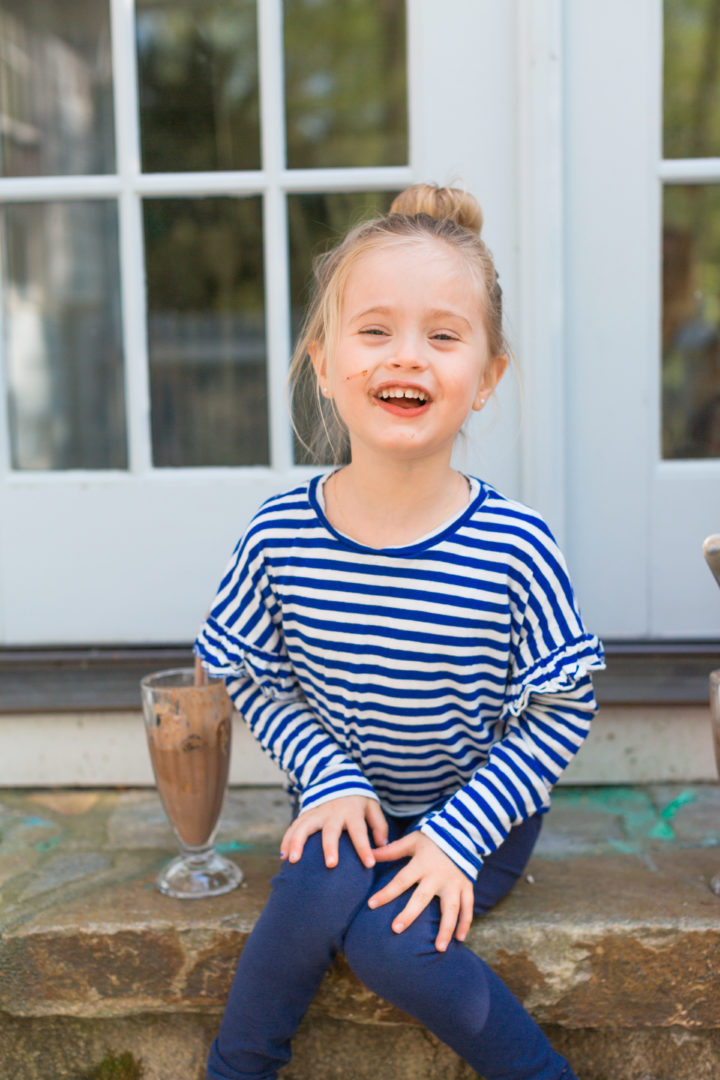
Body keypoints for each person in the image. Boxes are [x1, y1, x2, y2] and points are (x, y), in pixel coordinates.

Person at [194, 183, 605, 1080]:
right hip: (348, 799)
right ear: (322, 358)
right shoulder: (279, 534)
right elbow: (252, 673)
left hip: (481, 812)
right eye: (375, 330)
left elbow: (561, 713)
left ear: (488, 377)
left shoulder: (516, 546)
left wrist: (460, 838)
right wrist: (328, 776)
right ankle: (237, 1067)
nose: (406, 357)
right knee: (307, 903)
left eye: (444, 336)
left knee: (390, 943)